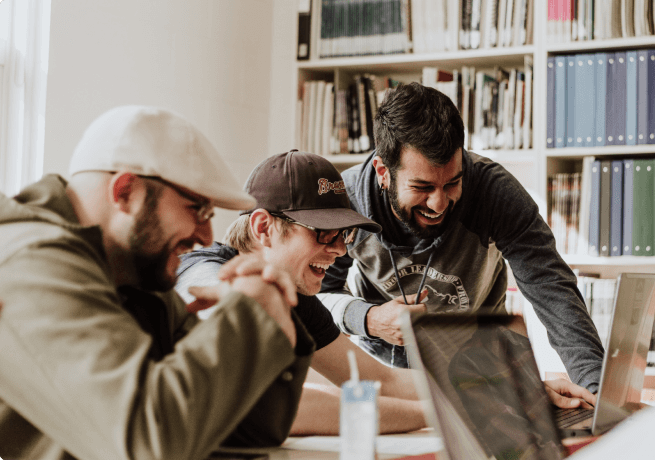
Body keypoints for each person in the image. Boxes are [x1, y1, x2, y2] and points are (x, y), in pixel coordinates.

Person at [0, 106, 314, 460]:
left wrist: (272, 314)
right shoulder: (31, 264)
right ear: (125, 192)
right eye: (197, 209)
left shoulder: (135, 275)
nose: (206, 235)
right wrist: (250, 314)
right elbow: (148, 443)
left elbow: (245, 431)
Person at [318, 82, 605, 400]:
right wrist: (369, 319)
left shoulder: (494, 191)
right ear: (383, 171)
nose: (439, 203)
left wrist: (595, 390)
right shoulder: (346, 201)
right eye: (422, 187)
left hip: (483, 371)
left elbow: (552, 289)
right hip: (387, 376)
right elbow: (318, 296)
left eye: (452, 183)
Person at [176, 150, 428, 435]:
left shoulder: (294, 295)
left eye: (343, 234)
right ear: (263, 228)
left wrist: (464, 390)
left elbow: (380, 380)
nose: (340, 250)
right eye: (324, 232)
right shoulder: (202, 273)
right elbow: (271, 404)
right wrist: (434, 414)